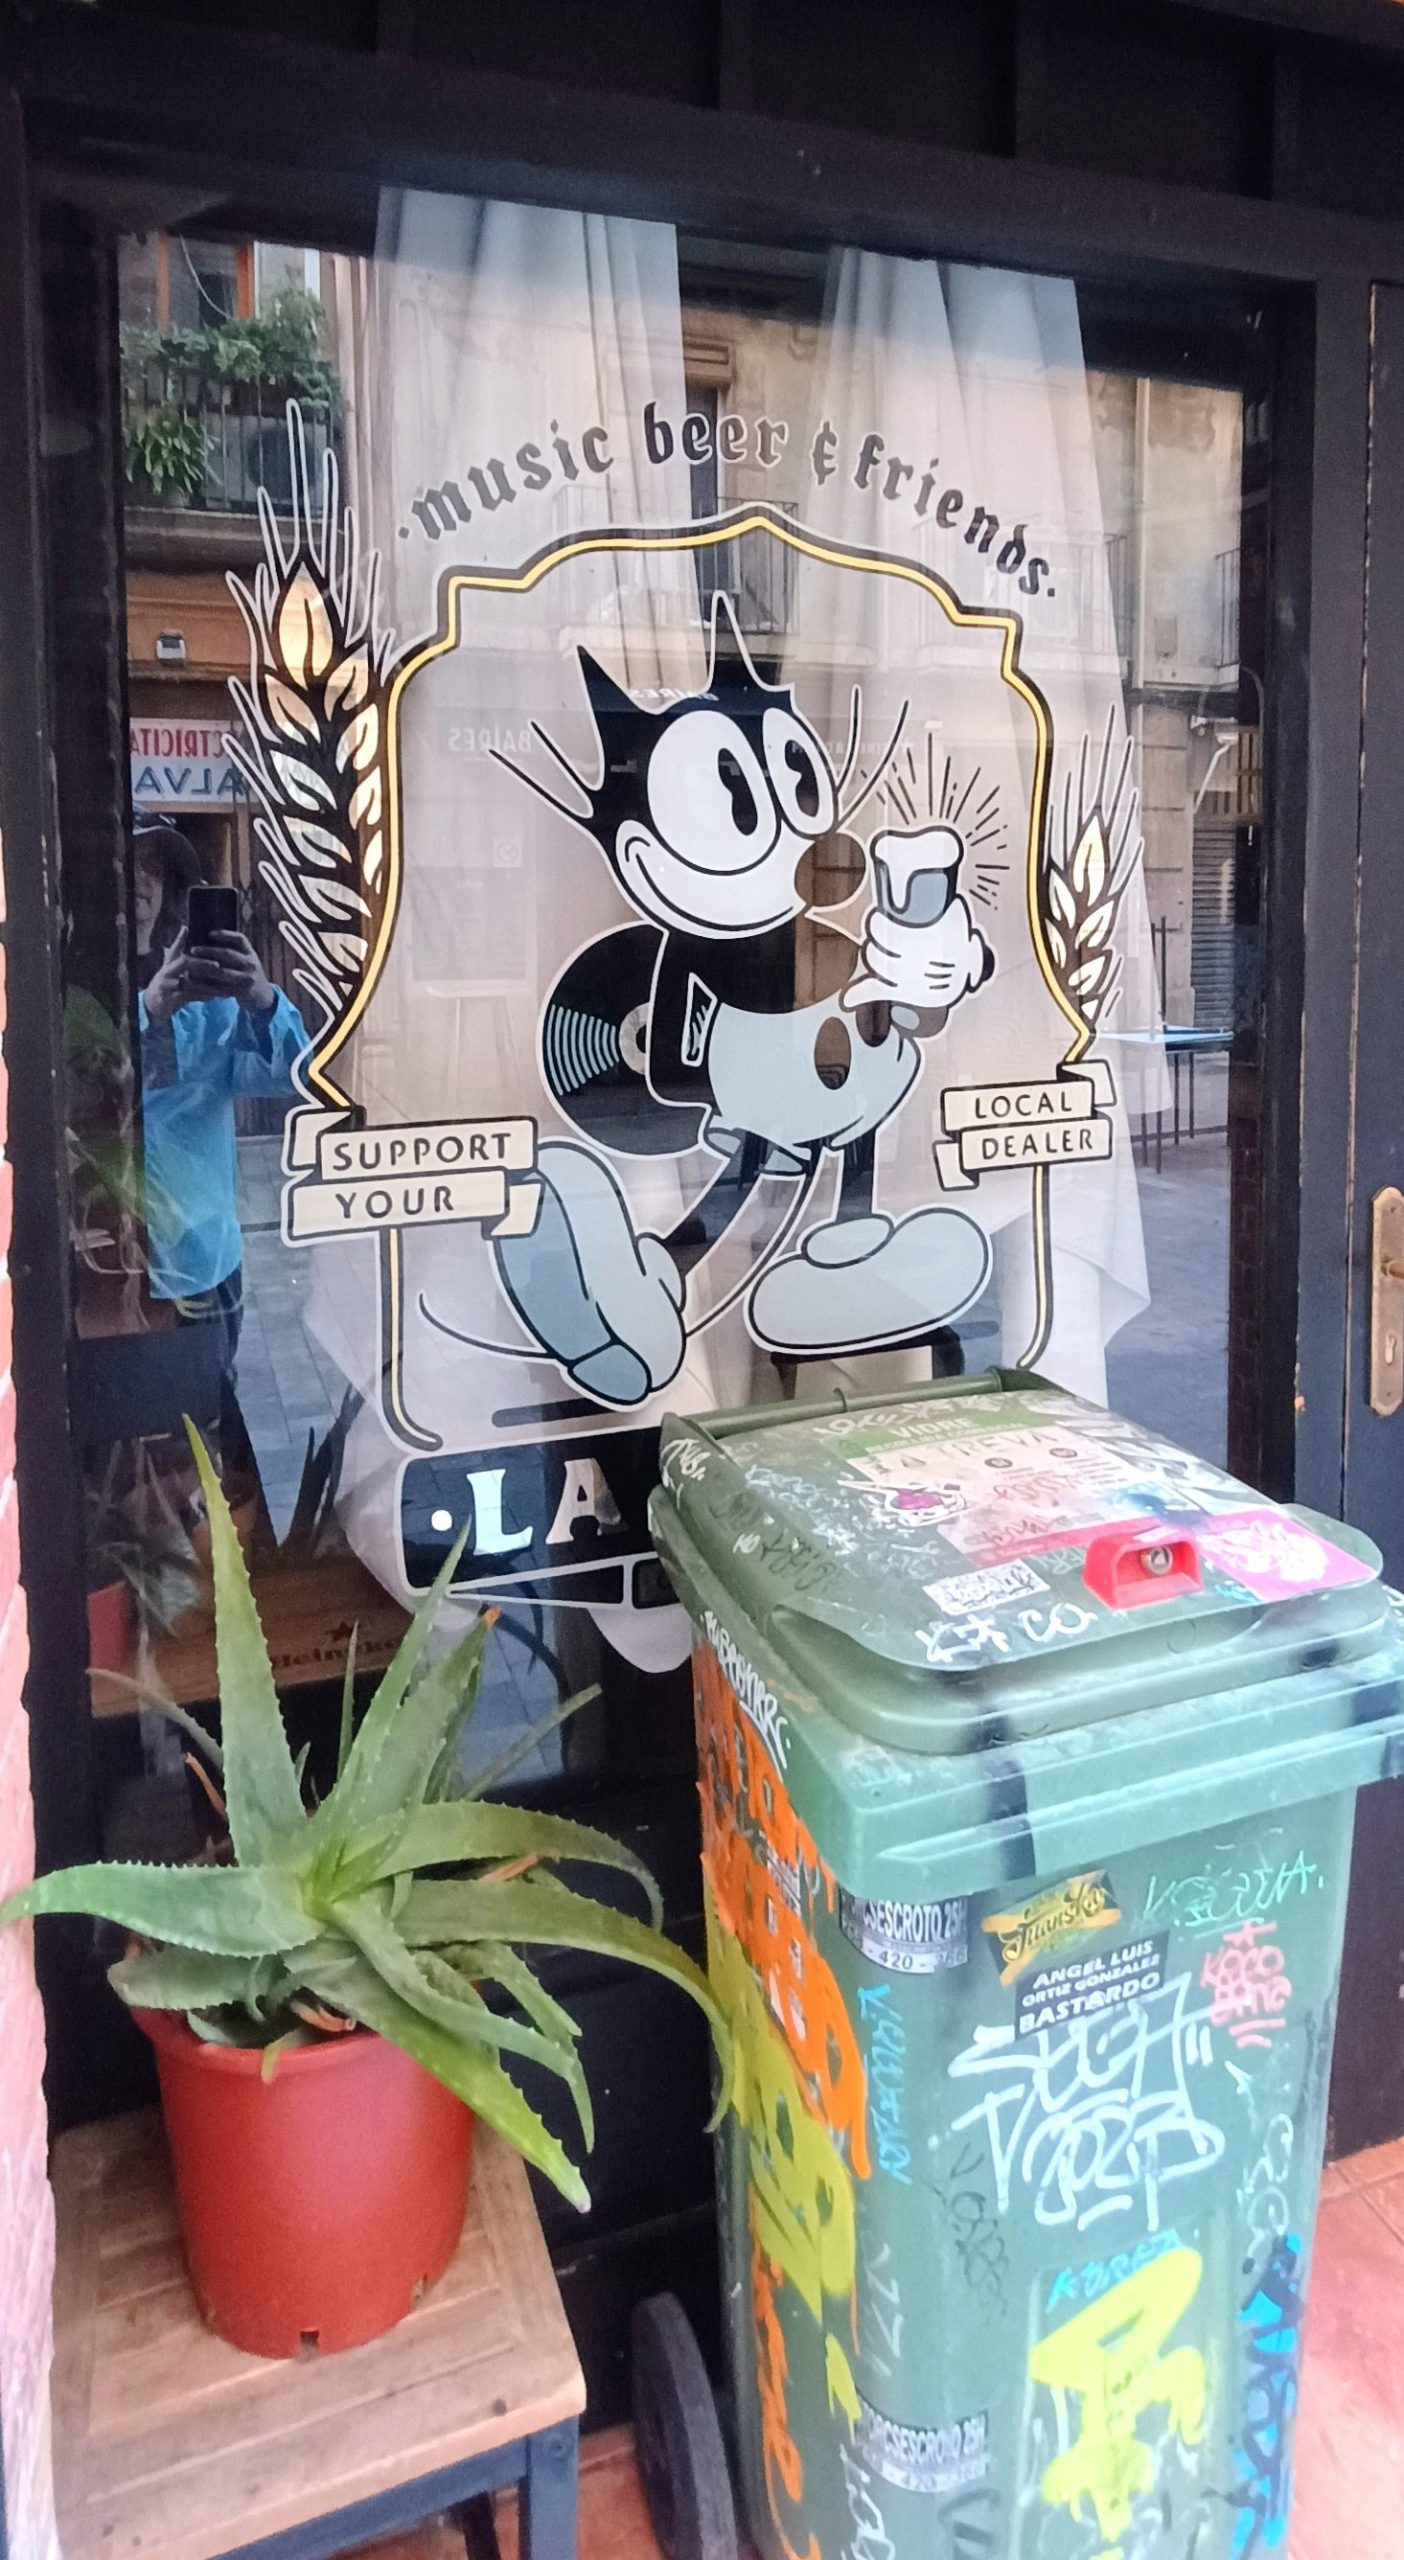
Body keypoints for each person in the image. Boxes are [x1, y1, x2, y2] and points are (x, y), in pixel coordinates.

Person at [134, 816, 306, 1404]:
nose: (141, 878)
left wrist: (263, 1000)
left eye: (154, 866)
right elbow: (86, 1088)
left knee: (205, 1411)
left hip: (202, 1257)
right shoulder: (76, 988)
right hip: (112, 1264)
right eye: (129, 863)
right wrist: (148, 1012)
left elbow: (288, 1077)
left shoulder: (207, 998)